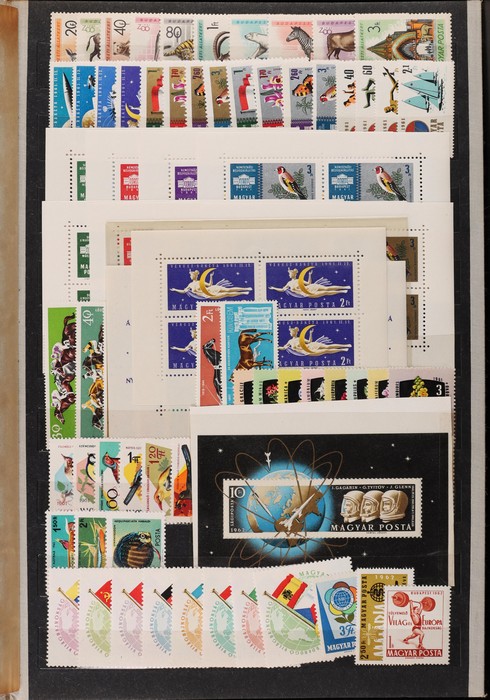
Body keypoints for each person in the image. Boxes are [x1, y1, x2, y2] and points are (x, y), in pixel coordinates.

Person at [269, 267, 350, 297]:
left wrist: (310, 275)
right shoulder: (289, 283)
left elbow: (309, 283)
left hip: (310, 287)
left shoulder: (299, 280)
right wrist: (274, 288)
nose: (289, 275)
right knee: (325, 292)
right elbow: (282, 290)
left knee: (326, 288)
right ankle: (342, 291)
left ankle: (344, 287)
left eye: (290, 274)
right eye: (289, 274)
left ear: (293, 274)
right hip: (307, 293)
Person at [171, 269, 252, 299]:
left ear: (195, 276)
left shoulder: (200, 282)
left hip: (211, 289)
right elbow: (183, 291)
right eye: (190, 275)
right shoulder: (190, 285)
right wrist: (175, 290)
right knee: (226, 294)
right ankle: (243, 293)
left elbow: (210, 285)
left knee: (228, 290)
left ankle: (245, 289)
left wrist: (210, 277)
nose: (190, 276)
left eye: (191, 275)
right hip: (208, 295)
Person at [279, 326, 352, 356]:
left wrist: (310, 334)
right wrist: (277, 347)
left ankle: (345, 345)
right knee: (325, 351)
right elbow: (283, 347)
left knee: (327, 347)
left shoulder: (300, 338)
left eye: (291, 332)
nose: (290, 333)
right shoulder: (290, 341)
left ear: (294, 333)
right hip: (307, 352)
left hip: (311, 345)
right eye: (290, 332)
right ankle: (342, 349)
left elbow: (309, 341)